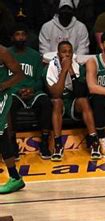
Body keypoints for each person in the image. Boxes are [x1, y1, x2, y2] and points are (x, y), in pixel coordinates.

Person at [46, 41, 101, 162]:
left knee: (83, 101)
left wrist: (71, 72)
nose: (67, 54)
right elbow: (56, 93)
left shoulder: (77, 67)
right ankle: (58, 145)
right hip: (58, 102)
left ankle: (94, 141)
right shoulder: (51, 67)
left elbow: (80, 92)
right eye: (64, 52)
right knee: (57, 102)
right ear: (58, 53)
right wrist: (64, 71)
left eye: (70, 51)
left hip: (72, 101)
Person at [8, 24, 53, 159]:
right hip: (14, 92)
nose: (20, 37)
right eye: (17, 34)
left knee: (45, 102)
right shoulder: (6, 55)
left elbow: (40, 79)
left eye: (23, 34)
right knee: (8, 103)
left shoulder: (34, 55)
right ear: (12, 38)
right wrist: (18, 89)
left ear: (26, 37)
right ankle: (12, 144)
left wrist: (32, 89)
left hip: (32, 91)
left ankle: (44, 143)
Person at [0, 45, 25, 194]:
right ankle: (15, 177)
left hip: (1, 97)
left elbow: (19, 75)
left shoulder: (3, 52)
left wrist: (3, 85)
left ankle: (15, 177)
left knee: (0, 134)